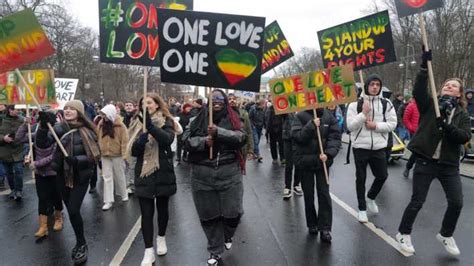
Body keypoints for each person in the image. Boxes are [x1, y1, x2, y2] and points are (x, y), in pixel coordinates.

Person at [396, 49, 471, 256]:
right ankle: (403, 233)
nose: (449, 86)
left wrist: (447, 126)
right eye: (447, 84)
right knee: (417, 201)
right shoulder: (431, 104)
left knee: (456, 202)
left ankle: (446, 234)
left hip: (448, 165)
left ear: (459, 93)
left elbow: (464, 136)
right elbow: (419, 90)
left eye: (453, 85)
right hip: (426, 161)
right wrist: (423, 66)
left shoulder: (462, 114)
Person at [182, 89, 246, 266]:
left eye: (219, 99)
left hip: (229, 173)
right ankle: (215, 250)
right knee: (208, 216)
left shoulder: (234, 118)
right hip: (202, 175)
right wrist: (203, 142)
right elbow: (185, 140)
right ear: (207, 103)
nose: (216, 102)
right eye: (213, 100)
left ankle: (228, 234)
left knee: (233, 213)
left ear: (224, 101)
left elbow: (242, 138)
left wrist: (219, 133)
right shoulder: (196, 120)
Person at [47, 100, 100, 264]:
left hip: (80, 177)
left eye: (72, 109)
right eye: (66, 108)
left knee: (74, 209)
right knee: (70, 210)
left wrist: (76, 160)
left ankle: (81, 243)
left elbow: (95, 155)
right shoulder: (58, 128)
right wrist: (43, 126)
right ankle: (80, 240)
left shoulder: (87, 130)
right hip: (62, 176)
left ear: (80, 112)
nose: (68, 111)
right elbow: (43, 142)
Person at [128, 93, 177, 266]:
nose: (146, 105)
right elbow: (133, 151)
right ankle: (148, 251)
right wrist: (141, 140)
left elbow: (166, 140)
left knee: (162, 210)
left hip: (163, 171)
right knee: (146, 214)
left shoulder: (167, 121)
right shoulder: (135, 122)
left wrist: (151, 127)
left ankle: (161, 238)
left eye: (149, 102)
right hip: (144, 172)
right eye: (143, 103)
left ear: (157, 105)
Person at [346, 74, 397, 223]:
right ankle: (362, 209)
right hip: (360, 146)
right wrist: (363, 114)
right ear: (366, 86)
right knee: (361, 178)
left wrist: (376, 126)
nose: (375, 87)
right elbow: (350, 126)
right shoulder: (354, 104)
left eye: (377, 84)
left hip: (379, 147)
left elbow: (393, 124)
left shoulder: (386, 103)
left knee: (382, 176)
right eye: (372, 84)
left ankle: (370, 197)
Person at [291, 108, 341, 241]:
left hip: (322, 162)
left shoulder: (328, 116)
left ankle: (325, 228)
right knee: (308, 194)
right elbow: (297, 137)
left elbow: (335, 137)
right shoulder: (299, 116)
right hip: (305, 162)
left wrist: (329, 153)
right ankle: (312, 224)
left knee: (324, 194)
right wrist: (311, 125)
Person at [17, 110, 64, 239]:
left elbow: (53, 156)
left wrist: (36, 164)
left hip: (53, 173)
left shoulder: (56, 135)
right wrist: (23, 124)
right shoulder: (37, 135)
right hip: (40, 174)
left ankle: (58, 218)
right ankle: (43, 226)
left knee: (56, 197)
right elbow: (19, 138)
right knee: (42, 198)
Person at [97, 104, 129, 211]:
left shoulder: (121, 126)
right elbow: (98, 138)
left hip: (117, 155)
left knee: (119, 175)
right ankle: (108, 200)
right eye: (102, 115)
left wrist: (125, 155)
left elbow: (125, 141)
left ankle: (123, 194)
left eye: (105, 115)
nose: (103, 117)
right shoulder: (101, 125)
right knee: (107, 177)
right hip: (104, 155)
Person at [0, 105, 25, 200]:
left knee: (19, 171)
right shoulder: (1, 119)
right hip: (4, 150)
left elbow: (28, 132)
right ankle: (13, 189)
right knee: (9, 172)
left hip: (17, 149)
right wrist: (3, 138)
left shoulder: (22, 120)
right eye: (16, 109)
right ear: (10, 110)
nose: (18, 111)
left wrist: (28, 124)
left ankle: (19, 190)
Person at [282, 113, 303, 199]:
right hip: (288, 139)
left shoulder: (302, 112)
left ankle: (296, 185)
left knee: (298, 164)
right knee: (289, 165)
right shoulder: (287, 113)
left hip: (299, 139)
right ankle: (287, 186)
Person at [228, 93, 254, 160]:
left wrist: (250, 150)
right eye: (230, 99)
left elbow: (249, 132)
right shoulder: (223, 114)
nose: (232, 101)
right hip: (228, 149)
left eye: (234, 99)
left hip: (242, 148)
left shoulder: (244, 113)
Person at [402, 98, 420, 178]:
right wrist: (412, 128)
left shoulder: (425, 105)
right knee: (416, 152)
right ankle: (408, 167)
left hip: (424, 131)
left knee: (421, 153)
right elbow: (406, 119)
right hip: (415, 133)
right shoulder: (411, 105)